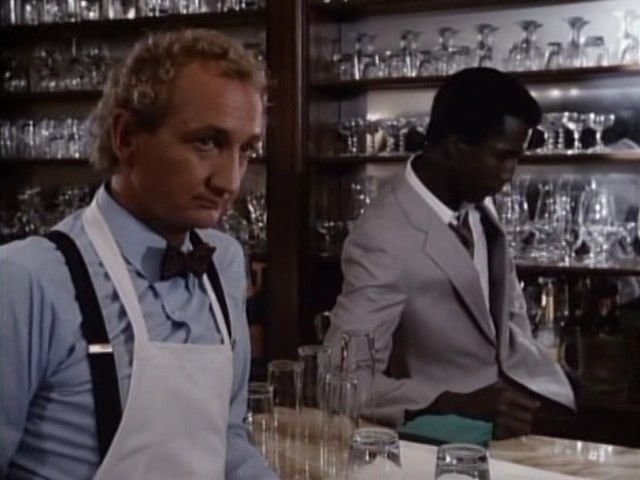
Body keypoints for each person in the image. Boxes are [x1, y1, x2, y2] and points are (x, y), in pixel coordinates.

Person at [0, 29, 278, 479]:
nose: (229, 182)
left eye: (245, 150)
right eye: (207, 142)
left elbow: (225, 438)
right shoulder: (25, 280)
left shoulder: (223, 261)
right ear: (127, 136)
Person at [325, 67, 576, 440]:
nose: (510, 173)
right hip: (454, 440)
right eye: (502, 156)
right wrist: (449, 403)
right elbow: (341, 382)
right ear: (456, 148)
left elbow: (504, 319)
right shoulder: (384, 237)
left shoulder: (475, 196)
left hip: (527, 415)